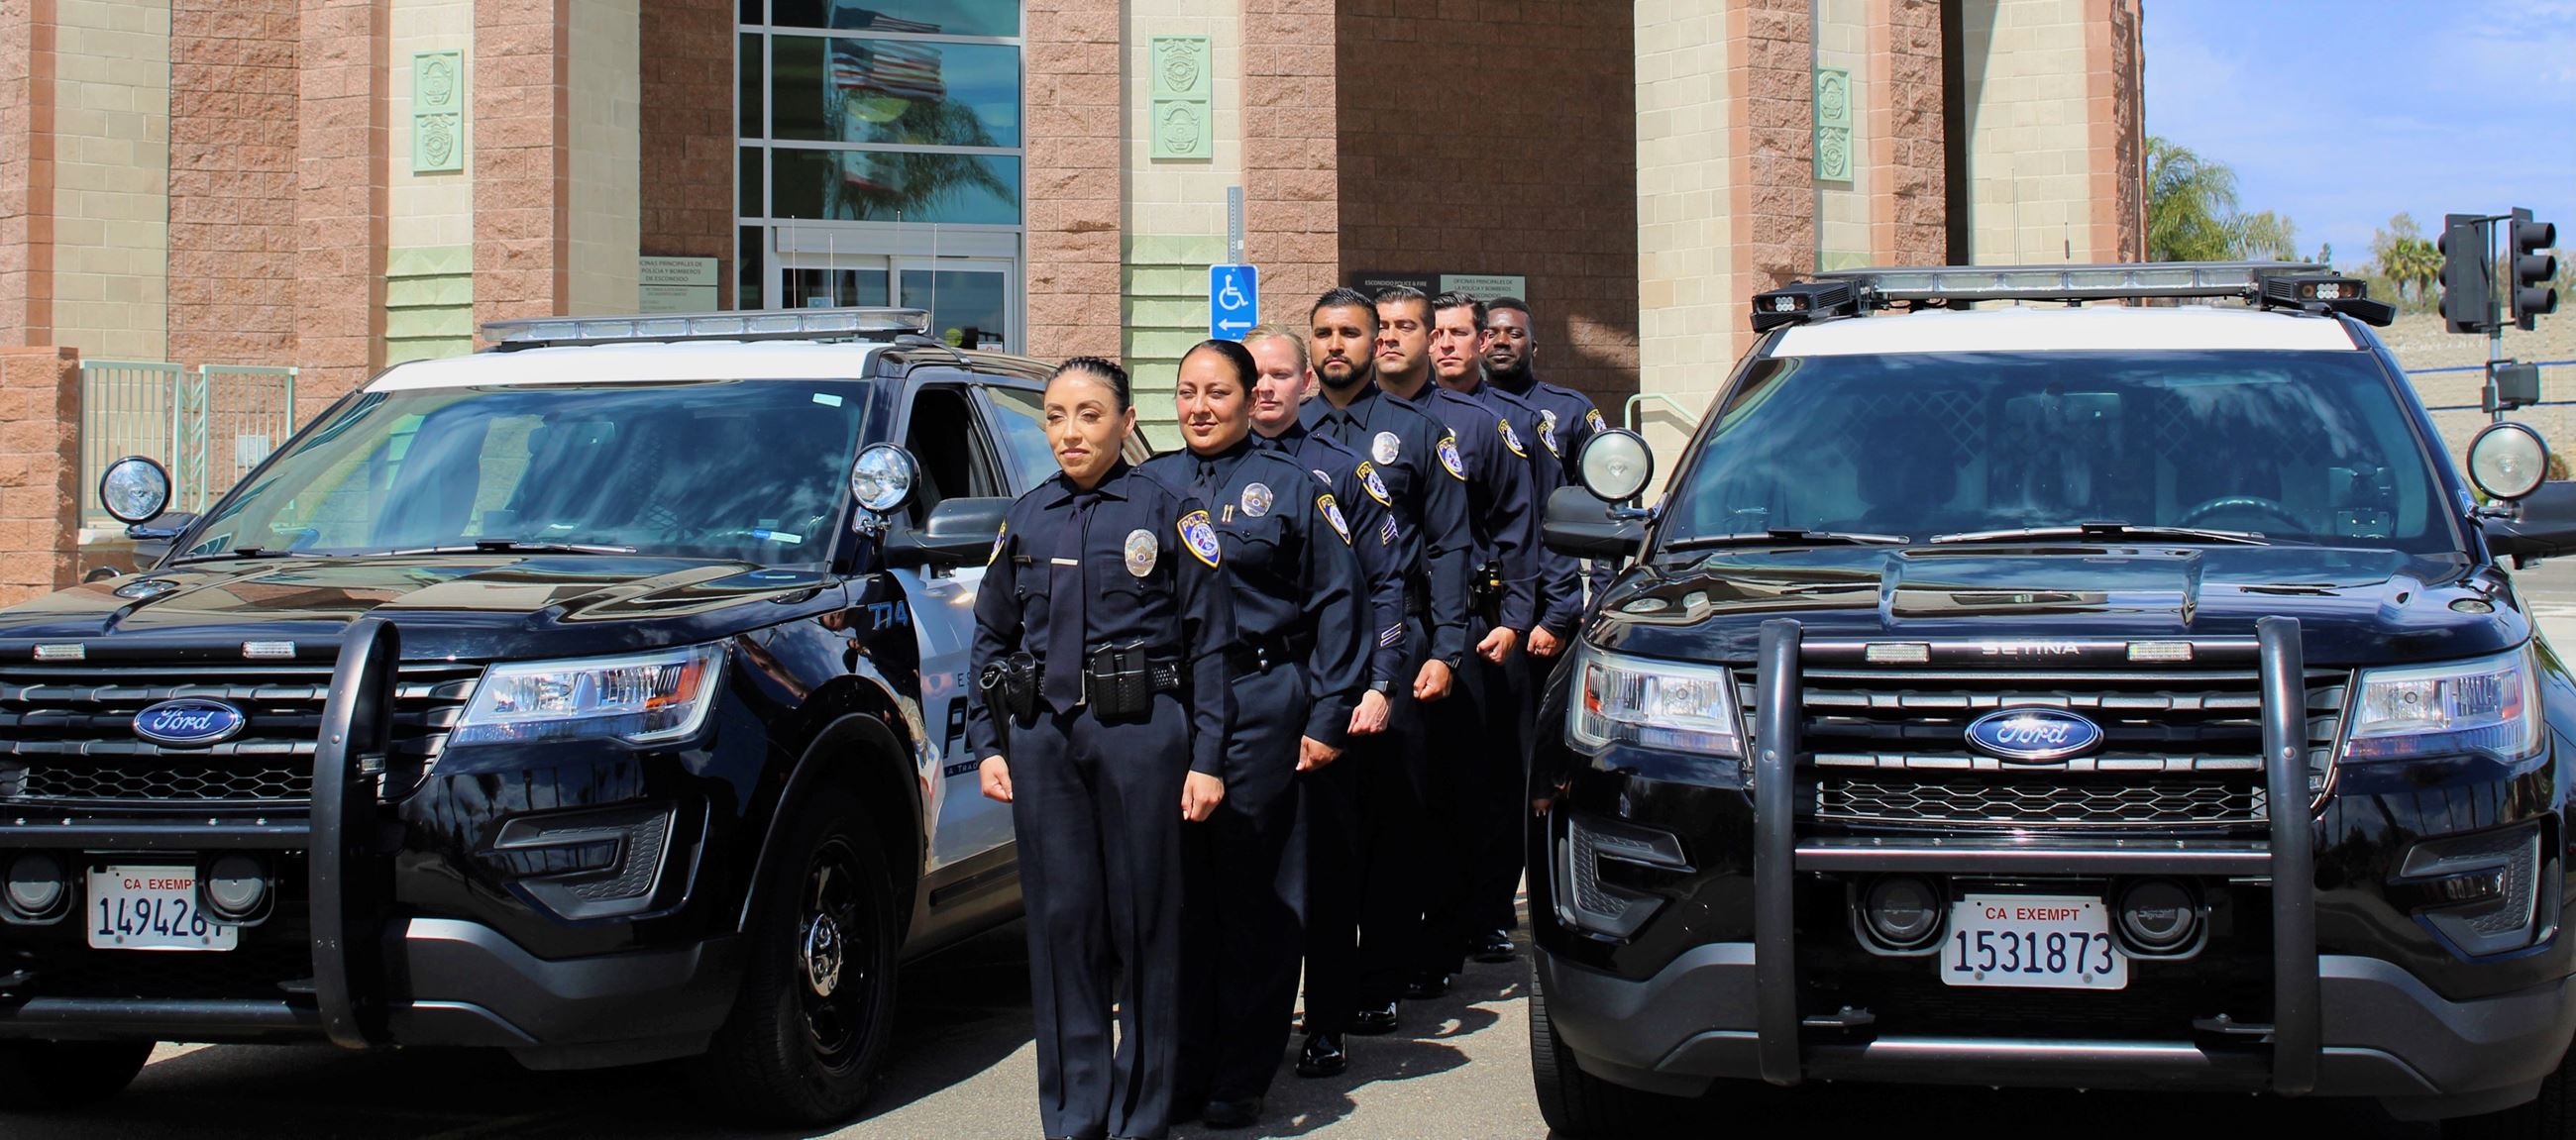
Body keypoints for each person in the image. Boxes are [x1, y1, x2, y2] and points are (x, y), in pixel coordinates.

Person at [968, 357, 1238, 1140]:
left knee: (1145, 926)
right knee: (1063, 927)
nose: (1070, 431)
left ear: (1125, 422)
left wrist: (1209, 757)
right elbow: (993, 634)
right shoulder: (1025, 517)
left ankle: (1141, 1113)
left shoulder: (1170, 510)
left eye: (1089, 415)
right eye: (1055, 415)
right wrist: (991, 742)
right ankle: (1074, 1115)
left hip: (1140, 736)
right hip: (1045, 742)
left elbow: (1210, 643)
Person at [1143, 340, 1366, 1130]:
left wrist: (1328, 713)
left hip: (1263, 699)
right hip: (1173, 709)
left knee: (1255, 895)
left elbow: (1342, 603)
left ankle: (1243, 1071)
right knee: (1179, 901)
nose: (1200, 406)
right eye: (1186, 392)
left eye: (1217, 392)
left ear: (1250, 398)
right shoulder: (1149, 485)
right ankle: (1182, 1065)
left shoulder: (1296, 487)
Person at [1295, 287, 1471, 1073]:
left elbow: (1449, 547)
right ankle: (1321, 981)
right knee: (1327, 831)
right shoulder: (1288, 433)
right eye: (1325, 334)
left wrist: (1449, 647)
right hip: (1319, 664)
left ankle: (1378, 976)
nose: (1338, 346)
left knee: (1391, 822)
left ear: (1377, 343)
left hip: (1402, 652)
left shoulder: (1418, 434)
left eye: (1351, 333)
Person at [1369, 284, 1537, 999]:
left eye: (1425, 328)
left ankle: (1453, 929)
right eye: (1397, 327)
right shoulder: (1349, 423)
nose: (1415, 339)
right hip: (1375, 631)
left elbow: (1518, 529)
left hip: (1460, 627)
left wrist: (1522, 617)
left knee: (1457, 789)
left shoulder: (1477, 425)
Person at [1429, 289, 1572, 968]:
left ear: (1482, 342)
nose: (1447, 345)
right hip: (1429, 622)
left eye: (1460, 334)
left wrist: (1550, 614)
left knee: (1500, 778)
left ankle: (1486, 911)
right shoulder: (1407, 418)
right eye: (1438, 333)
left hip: (1496, 623)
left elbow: (1544, 527)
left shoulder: (1513, 422)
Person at [1484, 296, 1610, 612]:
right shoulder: (1457, 412)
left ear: (1534, 347)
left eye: (1514, 334)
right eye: (1492, 333)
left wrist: (1600, 592)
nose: (1502, 341)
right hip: (1480, 590)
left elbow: (1603, 502)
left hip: (1549, 587)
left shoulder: (1571, 409)